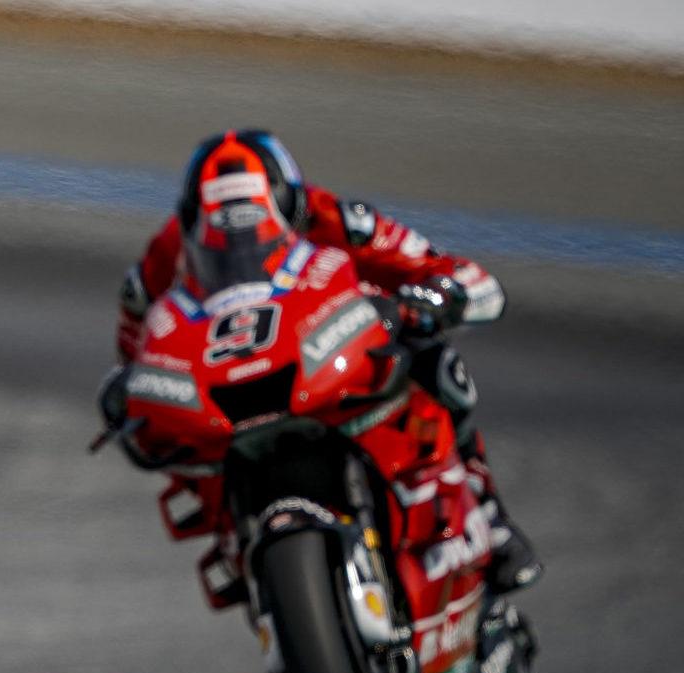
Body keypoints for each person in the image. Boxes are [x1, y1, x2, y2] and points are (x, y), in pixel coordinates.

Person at [107, 128, 540, 593]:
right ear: (194, 217)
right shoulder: (169, 250)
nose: (239, 239)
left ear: (291, 205)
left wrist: (431, 299)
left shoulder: (340, 219)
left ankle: (488, 511)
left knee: (434, 359)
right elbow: (139, 336)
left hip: (330, 353)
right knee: (162, 427)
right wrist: (132, 386)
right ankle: (232, 530)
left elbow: (448, 270)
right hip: (228, 385)